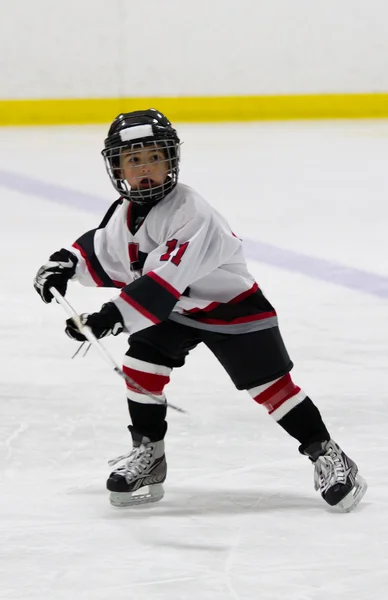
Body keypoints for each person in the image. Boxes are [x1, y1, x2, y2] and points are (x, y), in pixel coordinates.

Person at [33, 108, 367, 511]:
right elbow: (105, 250)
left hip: (230, 307)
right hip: (173, 311)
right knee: (143, 366)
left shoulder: (192, 212)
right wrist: (66, 263)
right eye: (133, 160)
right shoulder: (124, 212)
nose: (145, 169)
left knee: (270, 388)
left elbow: (162, 284)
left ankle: (328, 453)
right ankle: (149, 454)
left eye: (154, 157)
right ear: (117, 167)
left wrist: (107, 319)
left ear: (171, 160)